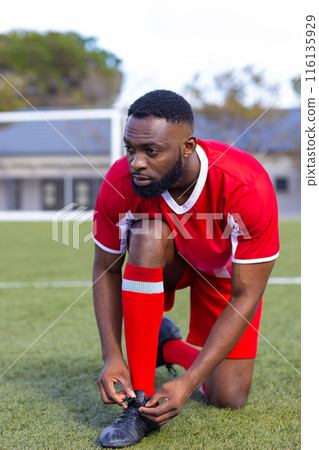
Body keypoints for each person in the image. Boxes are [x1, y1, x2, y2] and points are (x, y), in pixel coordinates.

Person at [92, 90, 279, 448]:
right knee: (147, 234)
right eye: (130, 148)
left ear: (188, 147)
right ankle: (140, 402)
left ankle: (169, 346)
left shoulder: (245, 185)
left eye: (151, 151)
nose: (136, 163)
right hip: (169, 262)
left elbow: (247, 293)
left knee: (229, 396)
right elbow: (107, 270)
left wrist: (190, 381)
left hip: (224, 276)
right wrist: (112, 355)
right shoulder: (121, 183)